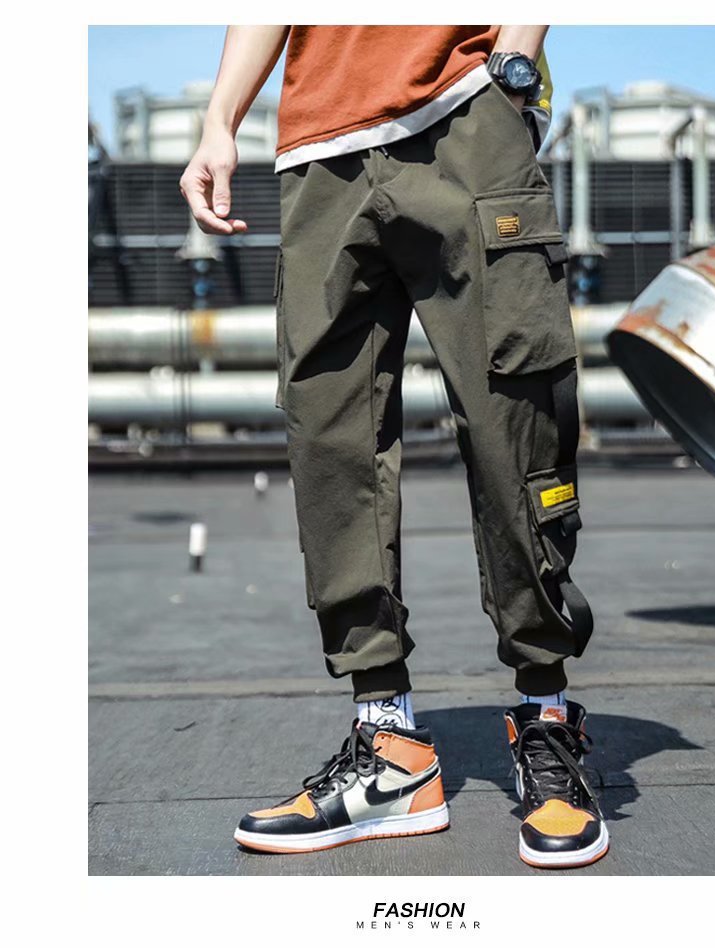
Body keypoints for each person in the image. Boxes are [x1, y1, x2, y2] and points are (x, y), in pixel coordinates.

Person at [181, 25, 607, 869]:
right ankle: (389, 748)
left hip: (462, 113)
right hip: (318, 150)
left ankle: (547, 714)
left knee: (513, 426)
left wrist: (510, 71)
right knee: (330, 443)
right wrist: (219, 120)